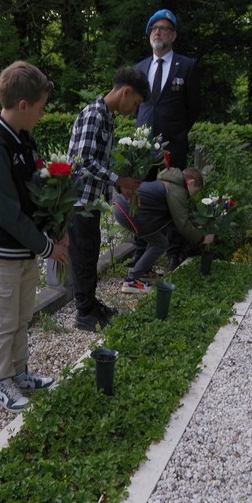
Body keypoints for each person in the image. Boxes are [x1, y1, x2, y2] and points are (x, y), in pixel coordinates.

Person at [0, 61, 70, 412]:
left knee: (23, 315)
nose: (43, 115)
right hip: (3, 251)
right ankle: (1, 380)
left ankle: (19, 371)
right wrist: (47, 247)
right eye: (41, 108)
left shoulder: (23, 139)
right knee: (4, 320)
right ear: (23, 105)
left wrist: (55, 225)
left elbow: (36, 192)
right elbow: (7, 212)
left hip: (25, 249)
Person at [66, 67, 147, 332]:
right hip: (79, 201)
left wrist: (118, 185)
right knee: (82, 255)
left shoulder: (107, 117)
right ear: (126, 92)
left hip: (91, 201)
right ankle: (84, 313)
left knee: (90, 252)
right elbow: (83, 161)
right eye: (135, 103)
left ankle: (91, 304)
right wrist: (117, 180)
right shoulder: (94, 114)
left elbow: (99, 161)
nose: (134, 109)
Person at [115, 167, 214, 292]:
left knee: (157, 240)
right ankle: (131, 281)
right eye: (195, 191)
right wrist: (202, 238)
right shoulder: (178, 190)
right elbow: (182, 224)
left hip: (123, 207)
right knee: (160, 244)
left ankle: (143, 273)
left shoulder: (169, 182)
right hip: (128, 211)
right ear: (191, 182)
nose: (193, 195)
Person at [134, 9, 202, 174]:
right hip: (142, 150)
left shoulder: (187, 66)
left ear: (173, 36)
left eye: (163, 28)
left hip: (174, 150)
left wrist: (177, 131)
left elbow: (194, 108)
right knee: (142, 190)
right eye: (154, 28)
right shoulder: (139, 68)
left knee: (171, 190)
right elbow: (136, 107)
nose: (157, 32)